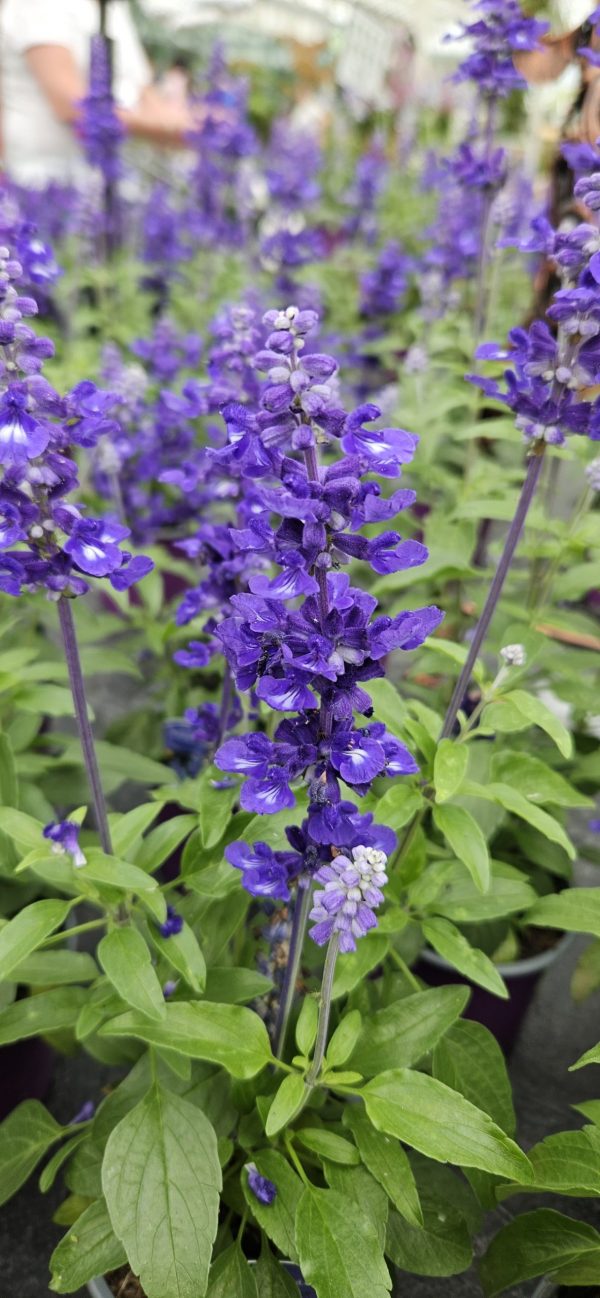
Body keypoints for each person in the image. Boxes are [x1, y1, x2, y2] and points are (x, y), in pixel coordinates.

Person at [0, 0, 200, 184]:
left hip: (112, 178)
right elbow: (71, 108)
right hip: (47, 180)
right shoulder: (40, 5)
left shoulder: (112, 8)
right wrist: (178, 127)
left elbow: (147, 96)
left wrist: (201, 123)